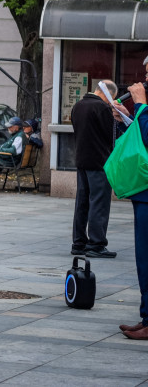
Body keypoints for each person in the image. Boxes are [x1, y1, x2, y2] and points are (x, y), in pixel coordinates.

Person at [66, 82, 118, 258]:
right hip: (99, 162)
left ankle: (78, 243)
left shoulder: (78, 106)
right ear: (109, 95)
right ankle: (96, 244)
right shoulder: (102, 108)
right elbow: (113, 135)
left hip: (81, 160)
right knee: (99, 203)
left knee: (82, 202)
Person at [118, 82, 148, 340]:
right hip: (143, 192)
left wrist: (139, 104)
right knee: (143, 260)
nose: (143, 81)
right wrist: (127, 117)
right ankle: (146, 317)